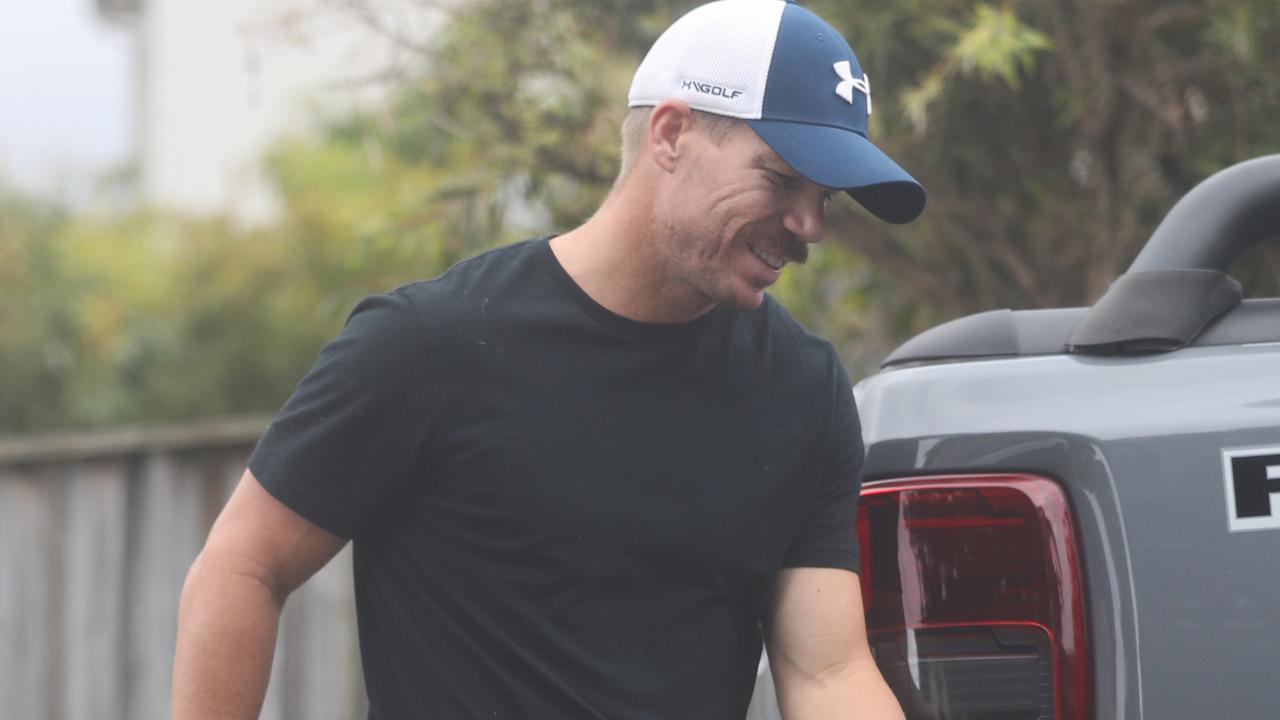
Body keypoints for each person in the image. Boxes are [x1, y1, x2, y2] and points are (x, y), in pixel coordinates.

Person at [173, 0, 926, 717]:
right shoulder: (428, 346)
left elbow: (826, 671)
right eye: (780, 178)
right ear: (670, 135)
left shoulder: (802, 389)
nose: (809, 226)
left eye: (826, 198)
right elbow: (242, 568)